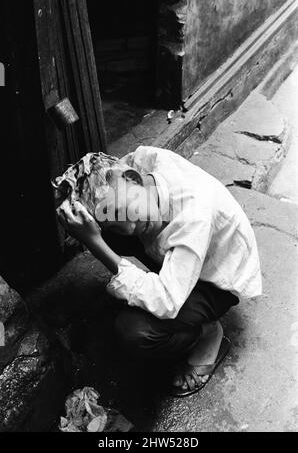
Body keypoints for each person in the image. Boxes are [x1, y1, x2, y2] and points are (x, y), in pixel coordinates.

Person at [56, 145, 262, 397]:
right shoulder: (138, 165)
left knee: (135, 330)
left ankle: (207, 333)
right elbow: (104, 187)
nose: (129, 228)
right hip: (180, 254)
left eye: (122, 211)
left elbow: (167, 301)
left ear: (133, 178)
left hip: (215, 279)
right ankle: (147, 280)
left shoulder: (194, 214)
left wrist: (95, 244)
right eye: (117, 221)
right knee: (103, 228)